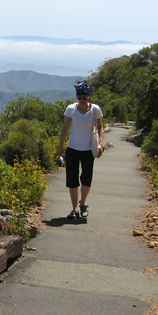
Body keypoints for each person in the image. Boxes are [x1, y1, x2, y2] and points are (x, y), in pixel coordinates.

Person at [56, 80, 104, 220]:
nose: (82, 100)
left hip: (88, 149)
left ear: (89, 96)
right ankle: (74, 208)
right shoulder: (71, 109)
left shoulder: (95, 109)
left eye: (85, 97)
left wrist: (101, 143)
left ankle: (83, 203)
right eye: (79, 98)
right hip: (73, 148)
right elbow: (64, 128)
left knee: (86, 178)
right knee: (72, 180)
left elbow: (100, 127)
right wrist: (60, 146)